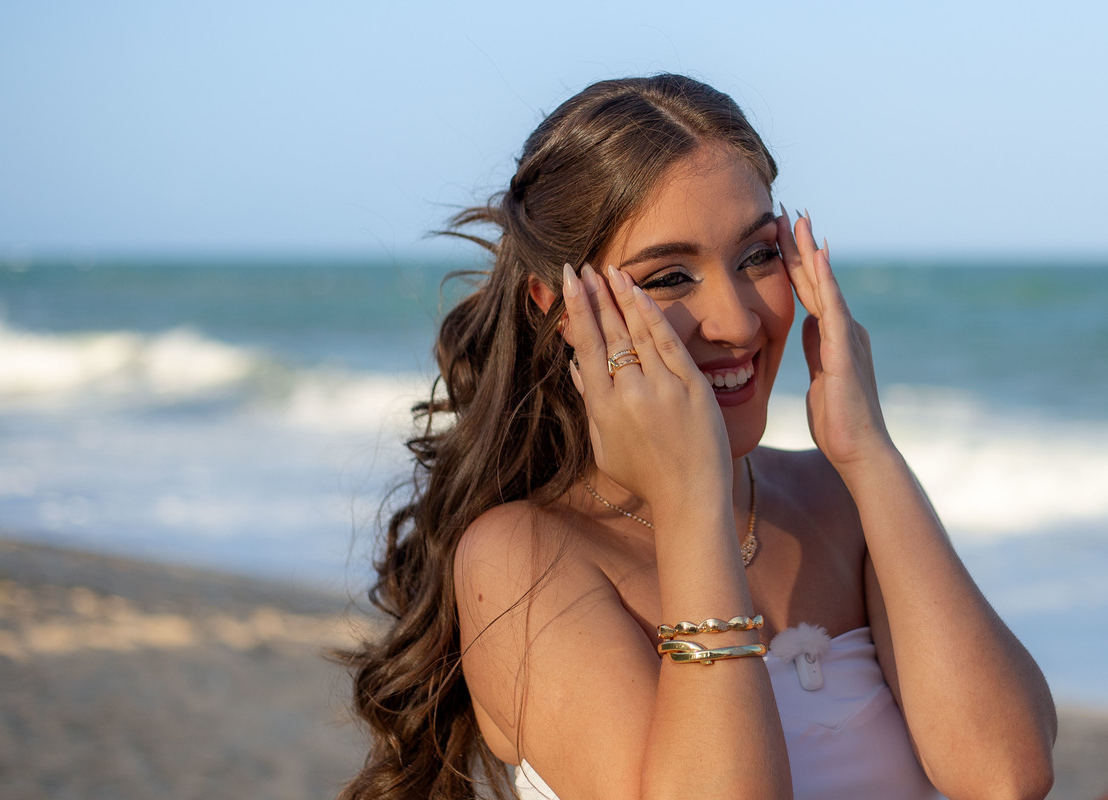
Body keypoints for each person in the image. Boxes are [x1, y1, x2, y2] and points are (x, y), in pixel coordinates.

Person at [339, 74, 1056, 800]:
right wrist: (690, 504)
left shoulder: (839, 501)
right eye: (671, 277)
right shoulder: (520, 558)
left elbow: (1006, 776)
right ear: (559, 309)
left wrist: (869, 453)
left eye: (758, 257)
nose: (740, 322)